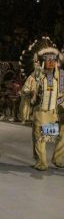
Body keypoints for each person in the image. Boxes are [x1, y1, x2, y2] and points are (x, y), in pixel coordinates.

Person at [20, 37, 64, 170]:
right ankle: (41, 162)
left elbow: (63, 93)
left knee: (62, 133)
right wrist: (32, 96)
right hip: (41, 111)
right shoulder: (36, 75)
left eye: (53, 60)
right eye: (48, 60)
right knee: (40, 136)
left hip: (56, 111)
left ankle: (57, 158)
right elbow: (25, 91)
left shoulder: (61, 76)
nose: (51, 62)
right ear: (43, 61)